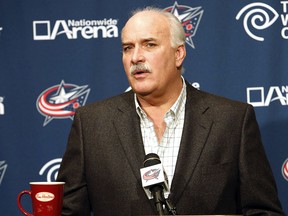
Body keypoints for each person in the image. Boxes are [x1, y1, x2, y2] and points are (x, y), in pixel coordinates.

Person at [57, 7, 284, 215]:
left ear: (178, 54)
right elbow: (69, 211)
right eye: (128, 48)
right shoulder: (91, 124)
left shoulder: (232, 120)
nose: (136, 57)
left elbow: (262, 211)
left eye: (150, 44)